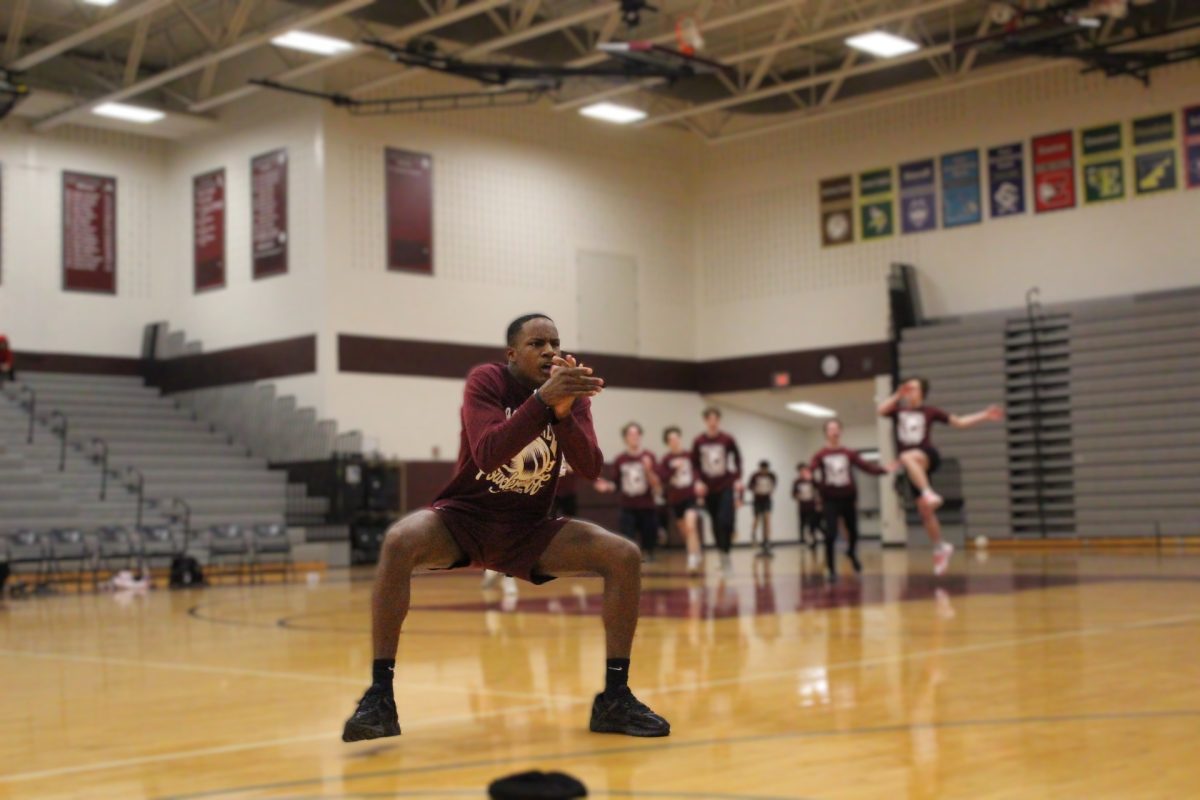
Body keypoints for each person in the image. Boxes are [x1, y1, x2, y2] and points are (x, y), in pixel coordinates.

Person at [343, 313, 670, 742]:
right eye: (537, 343)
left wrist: (564, 412)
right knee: (400, 540)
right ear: (512, 354)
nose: (550, 351)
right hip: (464, 519)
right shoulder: (488, 381)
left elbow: (590, 467)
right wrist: (540, 403)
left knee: (623, 555)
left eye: (555, 342)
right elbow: (488, 452)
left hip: (528, 529)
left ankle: (615, 698)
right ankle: (380, 696)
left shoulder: (570, 395)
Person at [878, 376, 1004, 576]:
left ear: (922, 392)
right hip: (914, 468)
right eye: (908, 388)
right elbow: (881, 410)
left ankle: (928, 492)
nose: (910, 391)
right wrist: (896, 395)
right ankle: (940, 546)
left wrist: (985, 415)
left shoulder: (930, 412)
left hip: (927, 456)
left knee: (906, 456)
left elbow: (960, 422)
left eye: (914, 388)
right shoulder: (898, 411)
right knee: (925, 511)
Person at [810, 418, 892, 583]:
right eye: (831, 429)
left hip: (848, 499)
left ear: (840, 431)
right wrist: (818, 485)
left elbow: (866, 466)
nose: (834, 431)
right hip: (830, 500)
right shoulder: (820, 455)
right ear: (826, 433)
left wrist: (883, 470)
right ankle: (832, 569)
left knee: (853, 532)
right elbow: (810, 471)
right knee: (830, 534)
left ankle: (851, 552)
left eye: (836, 428)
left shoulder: (849, 453)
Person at [596, 422, 662, 562]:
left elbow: (657, 484)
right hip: (628, 505)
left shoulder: (649, 456)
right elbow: (617, 484)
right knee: (627, 540)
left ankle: (649, 556)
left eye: (636, 434)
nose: (634, 437)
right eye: (631, 434)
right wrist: (607, 486)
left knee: (649, 536)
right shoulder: (621, 459)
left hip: (646, 504)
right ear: (625, 438)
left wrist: (648, 469)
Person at [691, 407, 742, 578]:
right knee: (715, 521)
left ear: (718, 421)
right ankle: (722, 554)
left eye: (715, 419)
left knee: (724, 520)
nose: (713, 422)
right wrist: (698, 480)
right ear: (706, 421)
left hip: (725, 485)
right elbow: (694, 464)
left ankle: (726, 555)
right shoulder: (699, 441)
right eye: (710, 419)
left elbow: (738, 458)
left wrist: (737, 477)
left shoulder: (727, 439)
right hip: (708, 488)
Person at [659, 426, 703, 576]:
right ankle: (695, 552)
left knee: (691, 526)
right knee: (685, 531)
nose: (674, 441)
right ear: (667, 442)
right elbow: (663, 478)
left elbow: (697, 472)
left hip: (690, 497)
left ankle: (691, 560)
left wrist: (698, 483)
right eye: (671, 439)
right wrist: (674, 469)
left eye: (676, 437)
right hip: (676, 500)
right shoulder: (666, 460)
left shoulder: (689, 455)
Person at [748, 460, 777, 558]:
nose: (764, 471)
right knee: (757, 518)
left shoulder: (772, 476)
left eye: (765, 469)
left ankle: (767, 540)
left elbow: (773, 486)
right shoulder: (755, 476)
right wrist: (757, 489)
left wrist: (768, 490)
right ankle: (753, 535)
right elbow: (750, 487)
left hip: (767, 500)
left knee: (767, 518)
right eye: (762, 469)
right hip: (757, 500)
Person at [792, 463, 822, 551]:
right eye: (801, 471)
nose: (802, 472)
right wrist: (797, 496)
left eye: (804, 470)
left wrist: (819, 503)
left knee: (812, 525)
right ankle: (805, 540)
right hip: (802, 506)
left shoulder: (812, 480)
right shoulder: (797, 482)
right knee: (803, 524)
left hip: (812, 506)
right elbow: (794, 494)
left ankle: (814, 541)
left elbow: (819, 489)